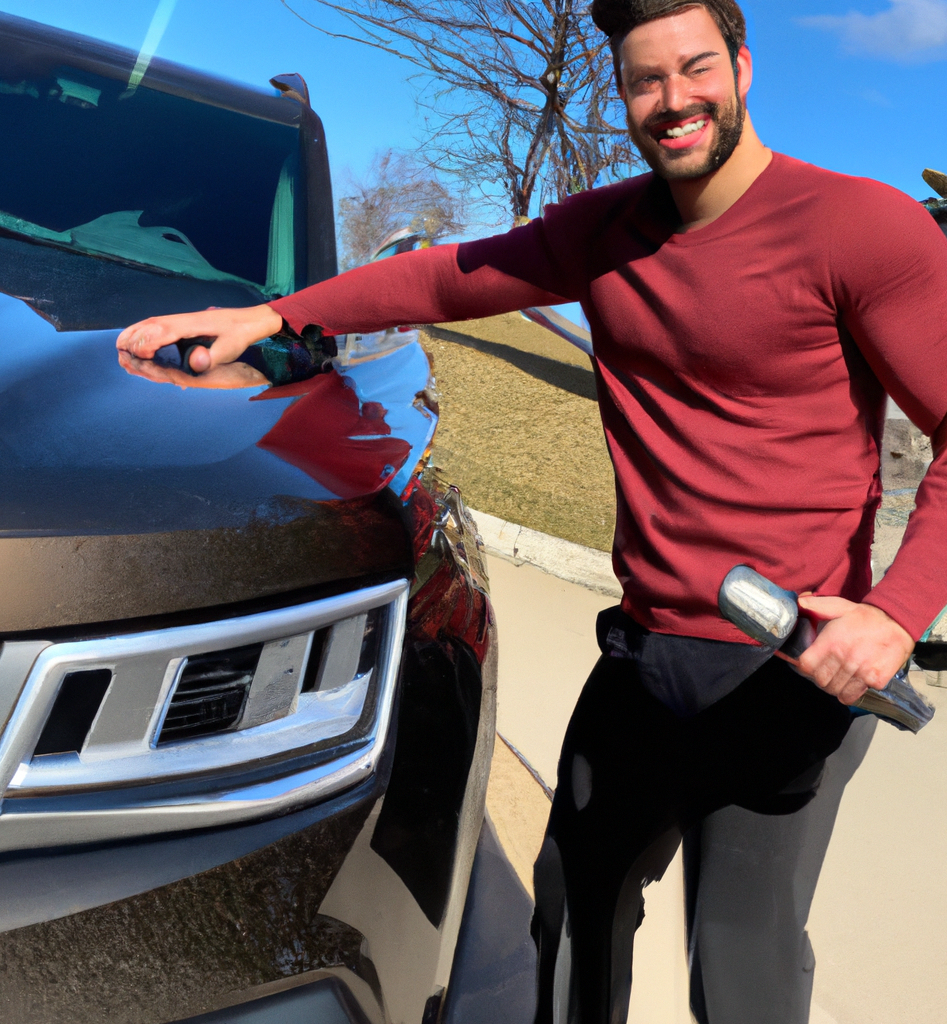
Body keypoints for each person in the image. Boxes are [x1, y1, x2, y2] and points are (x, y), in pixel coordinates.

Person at [116, 2, 947, 1020]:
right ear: (621, 93)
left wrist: (895, 612)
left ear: (740, 64)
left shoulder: (860, 228)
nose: (673, 101)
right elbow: (446, 274)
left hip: (787, 668)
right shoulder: (603, 231)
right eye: (645, 81)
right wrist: (272, 316)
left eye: (694, 69)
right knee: (573, 906)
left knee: (738, 964)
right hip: (644, 656)